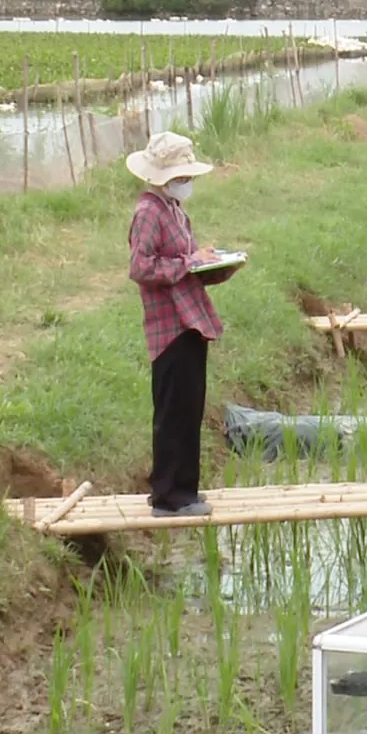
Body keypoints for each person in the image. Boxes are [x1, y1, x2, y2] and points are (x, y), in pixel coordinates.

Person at [126, 131, 240, 518]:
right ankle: (167, 497)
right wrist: (190, 263)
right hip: (168, 324)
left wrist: (214, 264)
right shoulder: (148, 212)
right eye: (182, 176)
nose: (187, 182)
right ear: (162, 176)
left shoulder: (174, 209)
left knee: (189, 409)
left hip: (191, 319)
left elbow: (185, 263)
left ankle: (184, 491)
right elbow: (140, 267)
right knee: (173, 411)